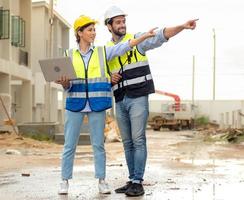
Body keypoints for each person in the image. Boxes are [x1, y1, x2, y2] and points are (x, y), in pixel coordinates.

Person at [55, 15, 157, 195]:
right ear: (80, 33)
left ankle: (101, 180)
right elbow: (68, 85)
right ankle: (64, 181)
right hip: (75, 104)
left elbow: (125, 46)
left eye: (94, 30)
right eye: (90, 30)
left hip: (97, 105)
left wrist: (143, 37)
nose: (94, 33)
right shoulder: (68, 55)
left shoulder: (102, 52)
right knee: (69, 145)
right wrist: (64, 83)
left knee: (98, 146)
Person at [104, 6, 198, 197]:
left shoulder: (138, 39)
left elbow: (161, 35)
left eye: (123, 21)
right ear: (109, 26)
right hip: (120, 98)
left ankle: (138, 181)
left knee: (138, 140)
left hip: (138, 96)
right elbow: (102, 73)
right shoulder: (107, 50)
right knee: (127, 142)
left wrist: (182, 26)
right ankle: (131, 180)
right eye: (118, 22)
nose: (122, 25)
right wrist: (109, 78)